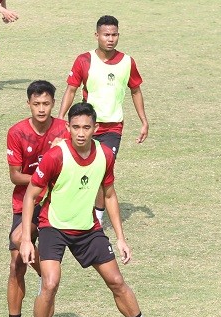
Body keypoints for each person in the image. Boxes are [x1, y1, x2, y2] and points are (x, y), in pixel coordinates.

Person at [18, 102, 171, 317]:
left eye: (86, 127)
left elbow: (109, 194)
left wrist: (121, 237)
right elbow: (31, 195)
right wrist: (25, 240)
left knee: (117, 282)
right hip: (53, 226)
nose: (80, 133)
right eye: (75, 127)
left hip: (88, 229)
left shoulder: (104, 156)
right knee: (50, 283)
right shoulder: (56, 155)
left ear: (95, 128)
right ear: (68, 128)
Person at [0, 80, 69, 317]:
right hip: (26, 200)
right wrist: (43, 179)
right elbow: (15, 176)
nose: (41, 109)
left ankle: (47, 281)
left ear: (53, 104)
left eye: (46, 104)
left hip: (55, 202)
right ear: (28, 104)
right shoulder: (16, 132)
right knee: (16, 260)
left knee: (17, 246)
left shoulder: (64, 129)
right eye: (36, 104)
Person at [57, 15, 149, 225]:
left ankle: (96, 219)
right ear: (96, 35)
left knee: (100, 171)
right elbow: (71, 89)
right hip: (85, 127)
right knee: (75, 168)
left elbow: (135, 91)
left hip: (112, 129)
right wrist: (60, 118)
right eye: (106, 35)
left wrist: (144, 121)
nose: (110, 39)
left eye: (114, 35)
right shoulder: (84, 60)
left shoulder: (127, 62)